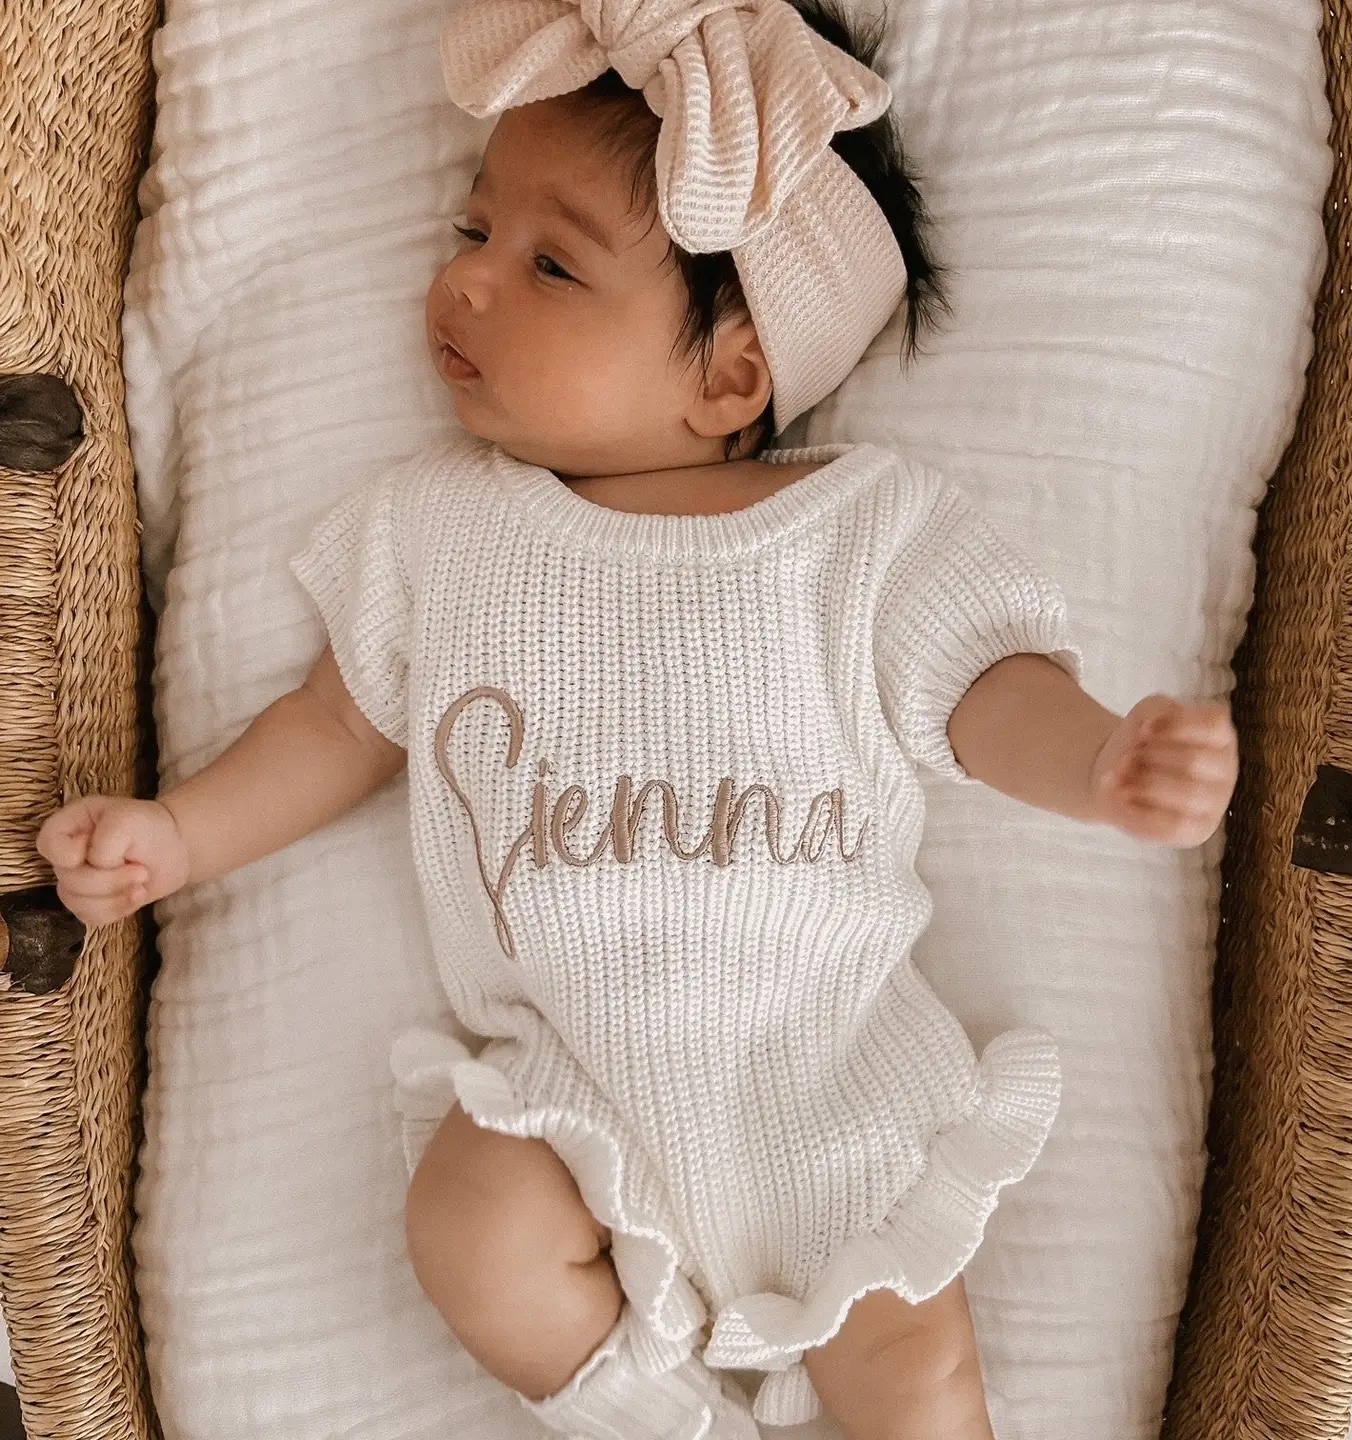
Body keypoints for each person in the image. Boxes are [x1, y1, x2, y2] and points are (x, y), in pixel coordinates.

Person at [37, 2, 1239, 1437]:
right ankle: (665, 1420)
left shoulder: (856, 532)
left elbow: (984, 694)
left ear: (731, 376)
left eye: (550, 264)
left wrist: (1099, 758)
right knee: (469, 1223)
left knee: (915, 1371)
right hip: (568, 1084)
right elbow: (337, 726)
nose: (467, 280)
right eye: (474, 229)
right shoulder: (439, 531)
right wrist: (180, 835)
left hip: (827, 1077)